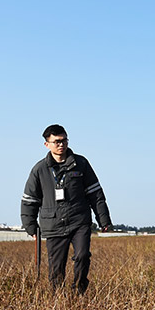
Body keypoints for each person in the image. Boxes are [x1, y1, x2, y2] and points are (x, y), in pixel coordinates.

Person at [20, 124, 112, 294]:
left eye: (64, 140)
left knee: (83, 256)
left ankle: (79, 291)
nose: (61, 145)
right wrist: (30, 226)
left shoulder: (81, 163)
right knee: (56, 268)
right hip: (53, 224)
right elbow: (29, 200)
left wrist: (103, 219)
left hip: (79, 221)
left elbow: (95, 194)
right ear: (47, 144)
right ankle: (58, 299)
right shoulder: (39, 169)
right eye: (57, 142)